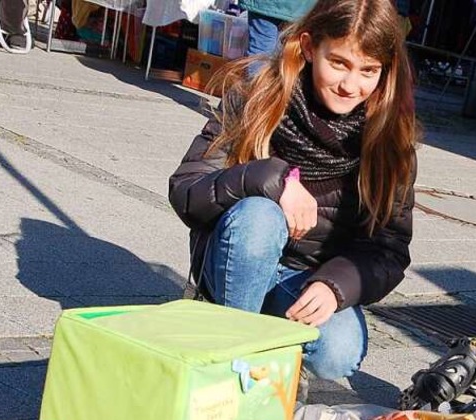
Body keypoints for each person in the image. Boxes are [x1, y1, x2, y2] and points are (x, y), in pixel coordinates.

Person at [168, 0, 418, 382]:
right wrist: (268, 178)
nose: (351, 85)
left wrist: (335, 286)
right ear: (307, 46)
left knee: (340, 352)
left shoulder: (389, 137)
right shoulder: (258, 94)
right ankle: (233, 355)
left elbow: (389, 247)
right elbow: (187, 190)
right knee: (259, 216)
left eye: (368, 71)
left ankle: (271, 339)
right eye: (338, 63)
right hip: (234, 259)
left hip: (306, 275)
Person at [239, 0, 315, 65]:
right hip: (301, 7)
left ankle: (259, 81)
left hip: (265, 5)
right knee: (291, 55)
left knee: (261, 52)